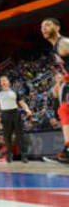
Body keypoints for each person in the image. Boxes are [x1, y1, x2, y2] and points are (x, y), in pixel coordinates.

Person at [40, 17, 69, 163]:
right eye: (42, 26)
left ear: (57, 27)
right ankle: (67, 150)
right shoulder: (56, 47)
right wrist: (65, 78)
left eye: (48, 24)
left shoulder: (63, 43)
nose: (44, 27)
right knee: (64, 110)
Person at [0, 75, 32, 163]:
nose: (3, 82)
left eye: (4, 80)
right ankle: (9, 155)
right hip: (5, 114)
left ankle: (24, 156)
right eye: (1, 80)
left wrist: (27, 109)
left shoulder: (15, 91)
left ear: (8, 81)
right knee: (7, 136)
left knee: (20, 135)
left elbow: (21, 102)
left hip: (15, 113)